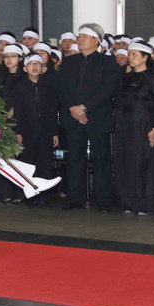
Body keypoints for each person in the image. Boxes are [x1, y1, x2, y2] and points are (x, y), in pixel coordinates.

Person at [58, 24, 121, 211]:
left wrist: (84, 108)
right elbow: (62, 89)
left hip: (98, 117)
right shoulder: (69, 62)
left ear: (96, 40)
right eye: (80, 35)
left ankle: (103, 200)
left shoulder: (107, 62)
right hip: (73, 117)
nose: (81, 39)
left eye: (86, 36)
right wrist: (74, 109)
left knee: (102, 158)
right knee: (75, 158)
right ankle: (75, 197)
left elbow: (108, 89)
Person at [114, 42, 154, 215]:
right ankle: (129, 202)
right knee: (126, 162)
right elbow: (119, 100)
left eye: (135, 54)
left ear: (145, 57)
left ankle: (145, 203)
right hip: (125, 126)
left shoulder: (153, 78)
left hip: (145, 126)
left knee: (144, 163)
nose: (131, 57)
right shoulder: (126, 78)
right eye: (130, 54)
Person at [10, 54, 59, 207]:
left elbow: (52, 111)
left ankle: (45, 196)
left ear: (43, 68)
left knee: (45, 162)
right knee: (27, 162)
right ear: (25, 68)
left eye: (37, 64)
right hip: (26, 131)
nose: (34, 67)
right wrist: (18, 131)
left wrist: (54, 132)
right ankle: (30, 195)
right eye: (30, 64)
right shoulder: (19, 87)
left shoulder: (48, 87)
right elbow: (17, 111)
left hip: (45, 131)